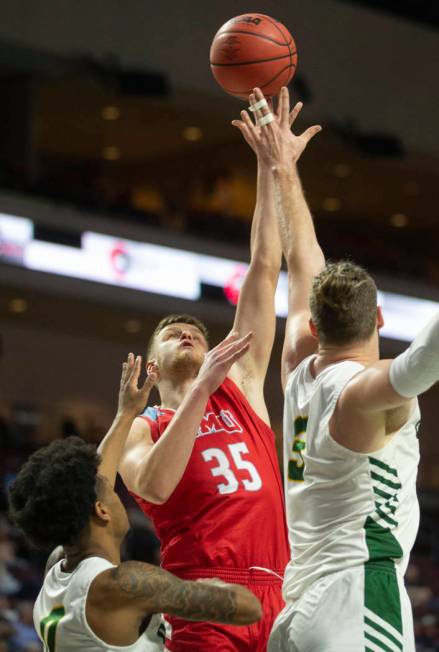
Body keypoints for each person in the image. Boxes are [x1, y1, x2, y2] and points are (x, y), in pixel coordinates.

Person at [118, 93, 321, 652]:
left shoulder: (243, 383)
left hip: (280, 594)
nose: (188, 333)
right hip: (204, 597)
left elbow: (264, 265)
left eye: (197, 332)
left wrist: (267, 162)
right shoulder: (144, 425)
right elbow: (155, 484)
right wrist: (201, 389)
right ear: (154, 364)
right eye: (172, 333)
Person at [246, 85, 438, 651]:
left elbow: (304, 256)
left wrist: (281, 167)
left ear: (314, 325)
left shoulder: (299, 370)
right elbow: (422, 362)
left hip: (301, 607)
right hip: (358, 596)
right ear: (379, 318)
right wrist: (279, 164)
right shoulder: (361, 391)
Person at [8, 349, 262, 652]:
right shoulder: (125, 585)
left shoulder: (59, 565)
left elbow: (93, 481)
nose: (119, 493)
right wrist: (200, 577)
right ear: (101, 510)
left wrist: (125, 413)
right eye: (112, 491)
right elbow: (247, 608)